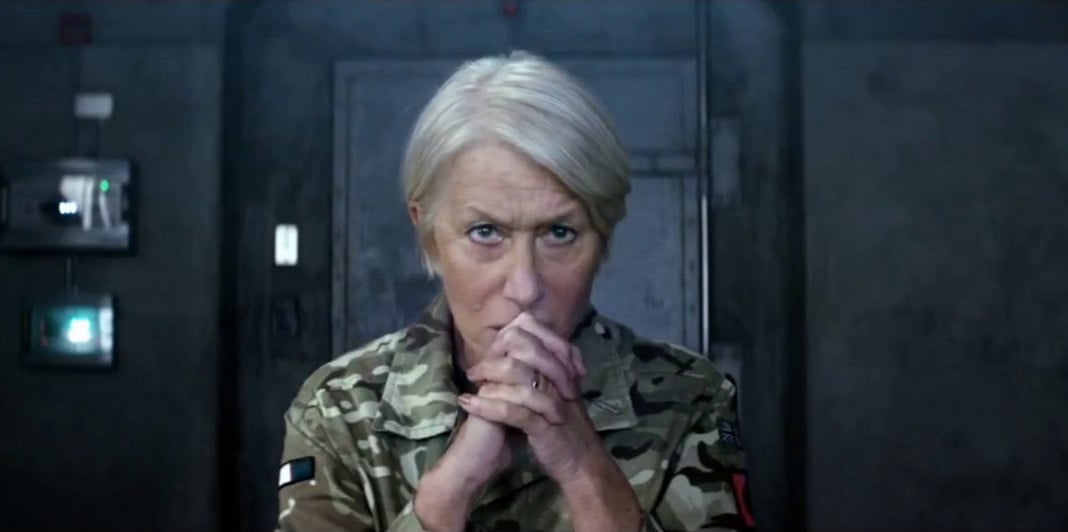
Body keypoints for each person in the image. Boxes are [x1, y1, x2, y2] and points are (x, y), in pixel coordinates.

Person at [276, 51, 755, 532]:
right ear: (429, 233)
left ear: (604, 236)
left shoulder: (689, 398)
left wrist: (583, 467)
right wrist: (452, 488)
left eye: (560, 233)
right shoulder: (340, 410)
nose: (524, 288)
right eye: (485, 232)